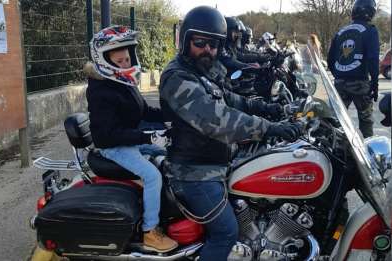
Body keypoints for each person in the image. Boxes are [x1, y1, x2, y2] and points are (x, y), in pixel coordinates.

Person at [158, 6, 304, 261]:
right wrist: (268, 128)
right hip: (194, 172)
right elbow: (216, 118)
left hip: (215, 163)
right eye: (200, 42)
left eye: (213, 44)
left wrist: (270, 108)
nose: (208, 50)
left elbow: (231, 100)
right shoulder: (178, 77)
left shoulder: (204, 70)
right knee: (226, 232)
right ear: (185, 41)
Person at [84, 25, 178, 253]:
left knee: (169, 155)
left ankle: (168, 211)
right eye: (121, 60)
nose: (127, 63)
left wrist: (174, 115)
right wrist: (146, 136)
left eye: (128, 57)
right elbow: (105, 135)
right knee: (153, 175)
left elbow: (144, 111)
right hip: (114, 148)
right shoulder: (100, 91)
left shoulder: (122, 82)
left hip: (129, 141)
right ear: (105, 60)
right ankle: (150, 231)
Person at [327, 0, 380, 137]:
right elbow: (373, 59)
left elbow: (330, 59)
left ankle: (335, 152)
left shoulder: (340, 32)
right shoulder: (371, 30)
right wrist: (374, 83)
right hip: (360, 83)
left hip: (339, 83)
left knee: (336, 121)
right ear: (371, 12)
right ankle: (368, 152)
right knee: (366, 121)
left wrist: (339, 74)